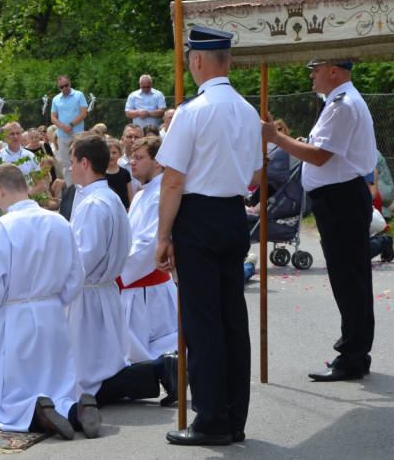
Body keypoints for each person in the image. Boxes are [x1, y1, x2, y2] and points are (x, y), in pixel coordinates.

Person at [155, 26, 262, 446]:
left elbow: (172, 182)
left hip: (198, 217)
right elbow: (255, 177)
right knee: (233, 320)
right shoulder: (248, 110)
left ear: (197, 60)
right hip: (234, 214)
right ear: (228, 61)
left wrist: (163, 235)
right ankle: (234, 417)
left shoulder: (192, 111)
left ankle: (212, 419)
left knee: (203, 324)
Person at [264, 57, 376, 383]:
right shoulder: (338, 102)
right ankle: (355, 350)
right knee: (349, 277)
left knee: (349, 278)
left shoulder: (341, 104)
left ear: (333, 71)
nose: (311, 75)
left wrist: (275, 137)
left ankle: (353, 355)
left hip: (341, 198)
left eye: (315, 69)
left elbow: (319, 154)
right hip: (339, 197)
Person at [0, 164, 99, 440]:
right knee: (56, 382)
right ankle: (76, 409)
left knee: (11, 397)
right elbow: (77, 276)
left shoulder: (0, 227)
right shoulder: (59, 222)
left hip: (14, 316)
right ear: (26, 187)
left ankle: (36, 412)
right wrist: (53, 303)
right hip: (51, 313)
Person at [68, 133, 178, 411]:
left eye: (71, 161)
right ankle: (159, 370)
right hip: (106, 287)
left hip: (102, 289)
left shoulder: (96, 202)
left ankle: (160, 369)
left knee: (88, 378)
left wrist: (58, 280)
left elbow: (86, 256)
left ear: (84, 162)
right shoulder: (113, 197)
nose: (68, 168)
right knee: (101, 365)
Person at [118, 136, 178, 363]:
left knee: (147, 349)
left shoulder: (161, 194)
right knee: (138, 350)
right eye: (132, 157)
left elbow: (150, 244)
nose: (132, 162)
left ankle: (168, 370)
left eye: (139, 157)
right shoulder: (144, 193)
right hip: (137, 286)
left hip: (148, 289)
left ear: (158, 162)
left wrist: (118, 272)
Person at [51, 75, 88, 187]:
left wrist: (71, 125)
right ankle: (70, 189)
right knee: (67, 164)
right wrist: (63, 127)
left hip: (77, 134)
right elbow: (53, 117)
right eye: (61, 87)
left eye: (66, 85)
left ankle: (83, 186)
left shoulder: (79, 95)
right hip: (62, 134)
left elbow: (83, 113)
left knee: (81, 161)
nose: (64, 88)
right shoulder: (56, 99)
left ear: (70, 83)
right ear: (59, 87)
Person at [105, 137, 133, 209]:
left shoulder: (125, 173)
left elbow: (130, 195)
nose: (111, 156)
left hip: (123, 209)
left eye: (114, 152)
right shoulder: (100, 174)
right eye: (108, 153)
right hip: (107, 208)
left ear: (120, 154)